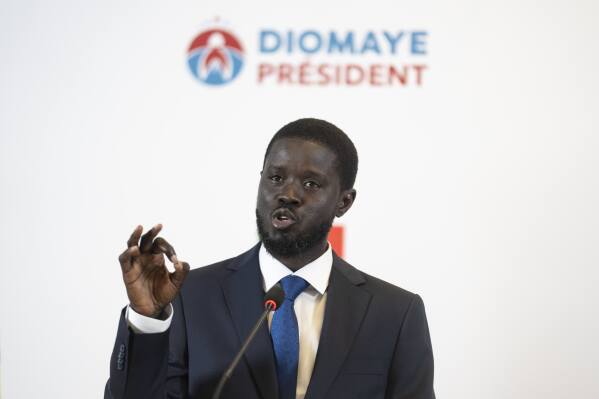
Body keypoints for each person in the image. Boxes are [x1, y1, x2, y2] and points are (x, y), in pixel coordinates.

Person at [105, 118, 435, 399]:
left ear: (344, 202)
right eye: (276, 178)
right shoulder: (190, 297)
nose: (288, 194)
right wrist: (146, 321)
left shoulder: (394, 314)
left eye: (311, 183)